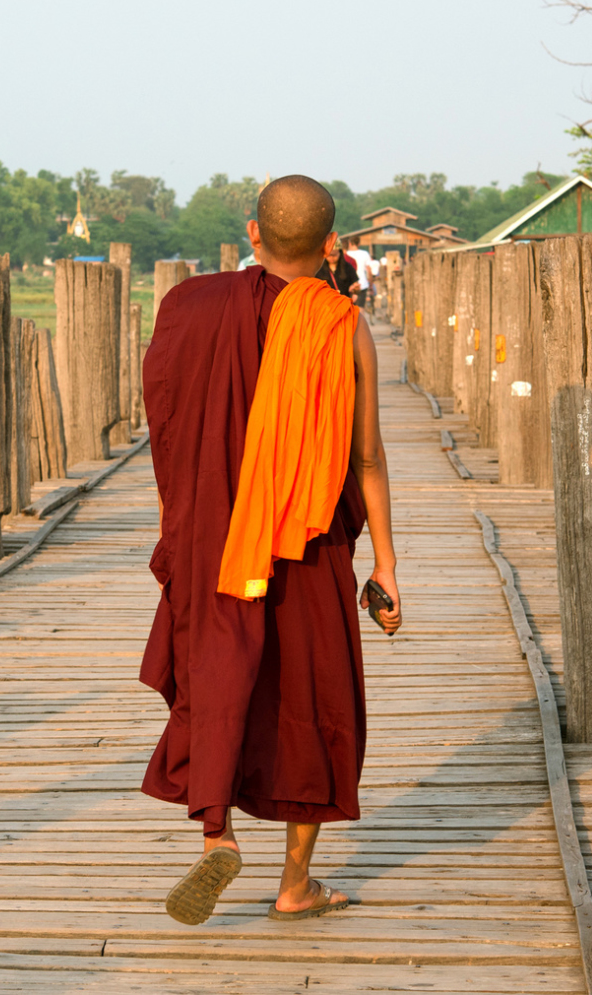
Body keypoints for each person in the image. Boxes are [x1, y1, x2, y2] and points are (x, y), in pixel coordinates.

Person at [139, 174, 403, 927]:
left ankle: (215, 833)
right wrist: (384, 564)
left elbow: (167, 414)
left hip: (216, 535)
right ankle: (295, 883)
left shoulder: (190, 304)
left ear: (252, 235)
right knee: (312, 698)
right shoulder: (341, 325)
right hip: (306, 538)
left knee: (215, 672)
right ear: (331, 247)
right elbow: (369, 457)